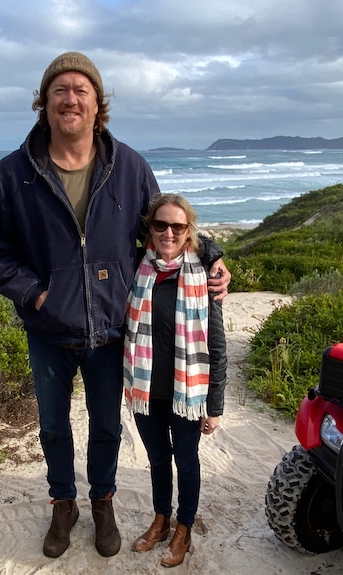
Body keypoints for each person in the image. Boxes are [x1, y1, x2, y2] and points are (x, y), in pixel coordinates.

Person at [0, 51, 230, 559]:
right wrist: (38, 294)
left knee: (108, 425)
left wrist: (215, 257)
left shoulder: (129, 166)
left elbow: (164, 227)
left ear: (98, 104)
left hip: (113, 326)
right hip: (48, 328)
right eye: (59, 90)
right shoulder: (13, 174)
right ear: (43, 104)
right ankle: (63, 503)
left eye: (81, 90)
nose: (71, 99)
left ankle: (103, 502)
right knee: (51, 426)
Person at [124, 193, 227, 568]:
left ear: (189, 232)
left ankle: (183, 527)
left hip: (188, 392)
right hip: (145, 389)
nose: (169, 232)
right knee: (156, 460)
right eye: (160, 225)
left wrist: (214, 407)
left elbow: (217, 346)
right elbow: (118, 229)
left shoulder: (206, 275)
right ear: (149, 230)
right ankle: (160, 519)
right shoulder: (137, 266)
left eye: (178, 226)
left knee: (186, 461)